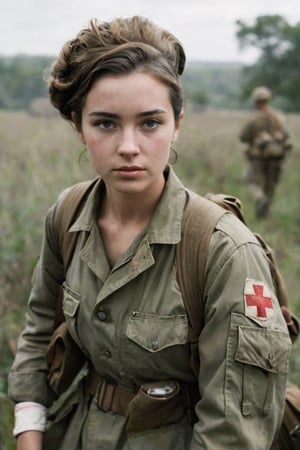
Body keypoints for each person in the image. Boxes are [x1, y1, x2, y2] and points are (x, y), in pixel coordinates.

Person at [8, 16, 292, 450]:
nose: (128, 146)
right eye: (105, 123)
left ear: (177, 123)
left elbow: (234, 429)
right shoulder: (67, 216)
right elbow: (38, 331)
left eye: (150, 123)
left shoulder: (222, 250)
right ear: (78, 126)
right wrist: (29, 432)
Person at [239, 86, 292, 219]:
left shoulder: (253, 119)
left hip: (258, 157)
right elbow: (287, 135)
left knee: (249, 180)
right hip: (276, 157)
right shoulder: (278, 117)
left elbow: (243, 137)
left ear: (255, 101)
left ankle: (260, 198)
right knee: (270, 186)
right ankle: (263, 215)